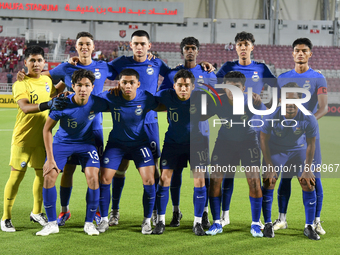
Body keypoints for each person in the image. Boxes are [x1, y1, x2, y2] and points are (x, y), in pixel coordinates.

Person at [17, 31, 115, 227]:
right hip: (70, 129)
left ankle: (96, 212)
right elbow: (41, 75)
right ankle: (64, 210)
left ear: (93, 47)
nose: (85, 47)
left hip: (94, 128)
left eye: (88, 44)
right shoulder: (66, 67)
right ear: (76, 47)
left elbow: (127, 72)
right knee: (67, 170)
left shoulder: (104, 66)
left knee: (94, 173)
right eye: (81, 44)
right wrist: (25, 75)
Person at [105, 30, 171, 227]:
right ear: (130, 45)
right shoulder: (121, 63)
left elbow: (174, 76)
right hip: (126, 122)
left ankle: (156, 211)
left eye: (143, 43)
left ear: (149, 46)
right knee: (121, 167)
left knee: (154, 168)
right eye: (136, 44)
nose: (140, 47)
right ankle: (114, 211)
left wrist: (161, 93)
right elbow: (100, 71)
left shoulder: (157, 63)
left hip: (149, 122)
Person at [1, 45, 66, 232]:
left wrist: (67, 79)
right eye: (32, 61)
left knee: (41, 175)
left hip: (42, 139)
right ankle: (6, 217)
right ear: (25, 63)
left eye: (39, 60)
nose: (36, 64)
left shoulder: (46, 79)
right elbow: (25, 107)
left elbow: (53, 92)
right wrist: (48, 104)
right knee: (16, 177)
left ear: (44, 62)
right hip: (23, 139)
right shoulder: (20, 83)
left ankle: (36, 212)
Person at [36, 69, 108, 236]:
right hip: (62, 143)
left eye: (87, 85)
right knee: (49, 176)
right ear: (73, 86)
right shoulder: (62, 103)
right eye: (79, 85)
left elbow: (120, 103)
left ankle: (89, 223)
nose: (83, 89)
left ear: (92, 87)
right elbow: (47, 130)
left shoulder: (98, 102)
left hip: (86, 145)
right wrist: (50, 159)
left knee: (93, 178)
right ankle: (52, 223)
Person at [216, 31, 277, 227]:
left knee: (254, 176)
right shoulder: (227, 67)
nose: (243, 47)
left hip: (254, 127)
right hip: (231, 124)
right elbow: (214, 87)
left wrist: (265, 103)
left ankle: (257, 220)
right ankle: (225, 215)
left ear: (252, 47)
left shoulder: (261, 68)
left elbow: (275, 88)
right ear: (235, 47)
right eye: (239, 44)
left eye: (246, 44)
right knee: (227, 173)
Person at [158, 36, 217, 229]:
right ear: (182, 51)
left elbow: (214, 100)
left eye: (193, 48)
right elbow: (163, 99)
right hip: (177, 131)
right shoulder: (172, 74)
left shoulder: (207, 72)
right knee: (174, 174)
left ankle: (204, 212)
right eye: (186, 48)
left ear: (198, 51)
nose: (190, 51)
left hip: (201, 131)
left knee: (202, 174)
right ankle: (176, 211)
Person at [95, 68, 161, 235]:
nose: (128, 86)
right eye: (124, 82)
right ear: (119, 83)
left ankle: (147, 220)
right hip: (116, 145)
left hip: (140, 144)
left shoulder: (146, 97)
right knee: (104, 178)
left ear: (138, 84)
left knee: (149, 180)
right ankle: (104, 219)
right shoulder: (110, 96)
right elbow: (89, 100)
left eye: (132, 82)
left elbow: (167, 105)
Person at [273, 38, 328, 235]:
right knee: (285, 178)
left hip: (309, 136)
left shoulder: (318, 78)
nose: (300, 54)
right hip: (287, 137)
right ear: (292, 53)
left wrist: (307, 122)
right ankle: (281, 219)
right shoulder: (282, 78)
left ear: (310, 54)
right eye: (297, 50)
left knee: (314, 178)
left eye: (304, 51)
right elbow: (278, 105)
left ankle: (316, 221)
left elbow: (323, 107)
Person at [204, 71, 266, 237]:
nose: (232, 90)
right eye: (229, 87)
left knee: (254, 181)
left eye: (236, 87)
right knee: (215, 180)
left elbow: (269, 117)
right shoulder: (219, 101)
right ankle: (216, 222)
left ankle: (255, 223)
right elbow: (201, 114)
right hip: (224, 143)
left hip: (249, 141)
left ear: (243, 88)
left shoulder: (253, 101)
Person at [260, 82, 320, 240]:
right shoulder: (272, 115)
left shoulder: (308, 118)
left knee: (308, 182)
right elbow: (263, 140)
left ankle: (309, 226)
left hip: (297, 151)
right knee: (269, 180)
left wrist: (307, 168)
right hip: (275, 151)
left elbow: (311, 144)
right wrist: (269, 165)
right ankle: (267, 224)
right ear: (281, 100)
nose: (291, 103)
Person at [152, 69, 207, 236]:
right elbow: (145, 98)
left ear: (193, 86)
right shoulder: (166, 95)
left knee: (199, 181)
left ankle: (197, 223)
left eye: (187, 86)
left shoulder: (201, 97)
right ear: (174, 86)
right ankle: (160, 221)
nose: (183, 89)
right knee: (164, 179)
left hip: (196, 143)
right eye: (180, 85)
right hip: (172, 143)